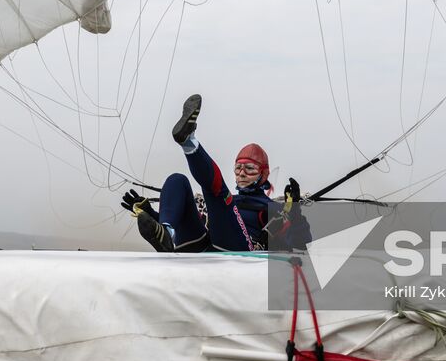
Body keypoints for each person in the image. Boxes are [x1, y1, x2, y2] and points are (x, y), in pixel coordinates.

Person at [120, 94, 309, 253]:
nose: (242, 173)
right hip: (204, 246)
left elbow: (302, 244)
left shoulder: (270, 208)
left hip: (240, 251)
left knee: (216, 192)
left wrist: (295, 211)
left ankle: (189, 142)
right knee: (177, 180)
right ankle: (167, 232)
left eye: (250, 169)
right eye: (238, 168)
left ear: (264, 175)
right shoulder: (227, 202)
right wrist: (150, 213)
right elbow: (190, 222)